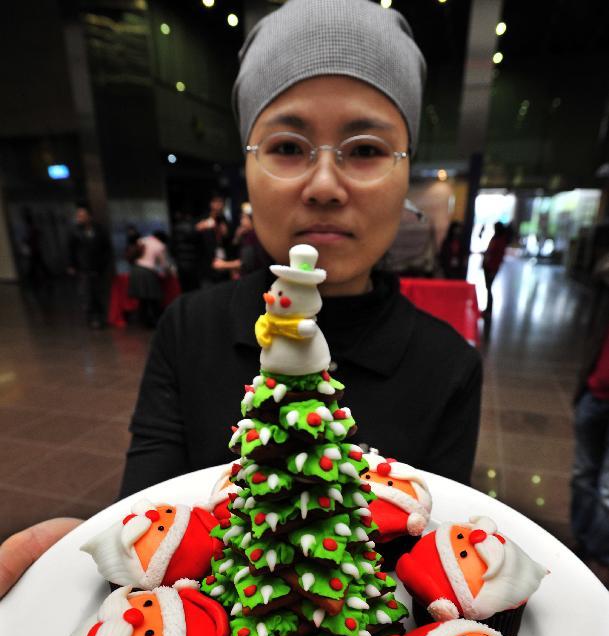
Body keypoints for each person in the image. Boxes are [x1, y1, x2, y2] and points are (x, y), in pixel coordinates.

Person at [0, 0, 481, 599]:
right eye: (286, 147)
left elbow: (437, 575)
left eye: (364, 150)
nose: (325, 185)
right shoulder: (189, 327)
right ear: (247, 168)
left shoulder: (448, 365)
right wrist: (87, 568)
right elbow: (147, 525)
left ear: (405, 171)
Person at [570, 304, 609, 586]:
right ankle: (581, 543)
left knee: (607, 490)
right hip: (595, 393)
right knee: (583, 474)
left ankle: (599, 559)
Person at [67, 203, 112, 329]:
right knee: (86, 294)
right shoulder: (74, 232)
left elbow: (106, 248)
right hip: (83, 267)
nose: (80, 218)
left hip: (98, 267)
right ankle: (92, 318)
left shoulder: (99, 230)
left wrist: (104, 263)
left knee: (99, 292)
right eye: (78, 216)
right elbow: (70, 249)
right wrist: (71, 265)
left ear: (89, 216)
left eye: (82, 215)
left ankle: (102, 317)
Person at [127, 230, 170, 328]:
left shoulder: (142, 240)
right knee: (154, 298)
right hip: (148, 272)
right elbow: (164, 264)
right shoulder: (160, 245)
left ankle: (143, 321)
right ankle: (156, 321)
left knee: (142, 299)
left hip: (135, 269)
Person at [196, 193, 231, 285]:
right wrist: (201, 227)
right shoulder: (203, 219)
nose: (219, 205)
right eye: (216, 202)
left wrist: (226, 234)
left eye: (221, 202)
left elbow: (229, 243)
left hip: (223, 262)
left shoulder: (224, 220)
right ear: (211, 204)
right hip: (207, 265)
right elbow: (195, 236)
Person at [481, 221, 509, 333]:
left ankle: (489, 310)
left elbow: (498, 256)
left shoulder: (500, 240)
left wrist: (493, 268)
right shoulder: (496, 238)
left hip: (491, 268)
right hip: (488, 266)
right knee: (487, 288)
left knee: (489, 288)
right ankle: (487, 309)